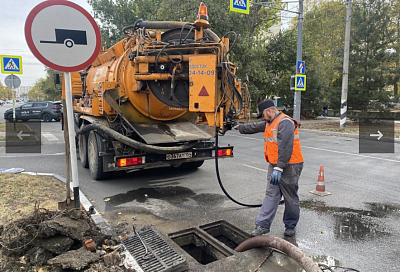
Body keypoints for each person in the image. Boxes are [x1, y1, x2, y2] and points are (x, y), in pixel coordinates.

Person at [234, 99, 304, 237]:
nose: (263, 118)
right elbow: (254, 127)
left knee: (290, 197)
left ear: (269, 111)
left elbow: (285, 147)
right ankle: (263, 225)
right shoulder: (270, 122)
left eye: (263, 115)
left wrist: (279, 168)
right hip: (275, 165)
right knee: (271, 194)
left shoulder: (285, 122)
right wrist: (239, 127)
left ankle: (290, 225)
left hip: (290, 165)